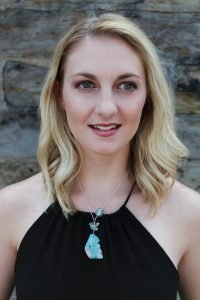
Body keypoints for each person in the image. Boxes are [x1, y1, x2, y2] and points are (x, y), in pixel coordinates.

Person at [0, 13, 199, 300]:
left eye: (126, 85)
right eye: (86, 84)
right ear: (60, 95)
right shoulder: (9, 210)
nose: (106, 107)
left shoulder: (190, 215)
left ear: (148, 98)